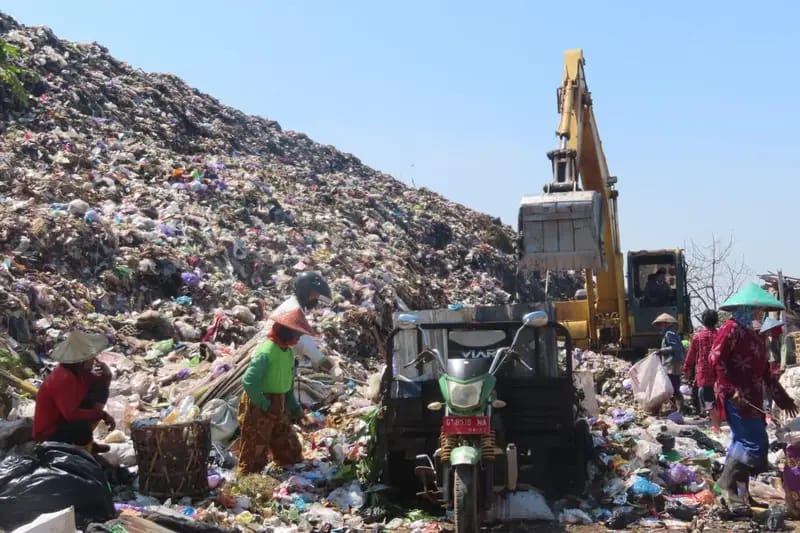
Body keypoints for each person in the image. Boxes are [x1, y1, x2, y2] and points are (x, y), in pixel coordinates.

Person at [710, 283, 799, 515]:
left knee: (742, 443)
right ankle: (727, 489)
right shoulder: (730, 329)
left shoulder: (755, 336)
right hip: (736, 397)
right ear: (747, 309)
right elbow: (715, 359)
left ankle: (741, 495)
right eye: (757, 310)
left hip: (753, 398)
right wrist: (730, 389)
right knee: (753, 443)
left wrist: (782, 398)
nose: (760, 315)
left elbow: (764, 374)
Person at [236, 306, 316, 474]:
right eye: (297, 335)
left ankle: (288, 469)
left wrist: (295, 409)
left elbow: (287, 384)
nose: (298, 339)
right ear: (285, 332)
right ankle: (249, 480)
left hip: (279, 403)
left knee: (289, 447)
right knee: (255, 449)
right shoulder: (266, 351)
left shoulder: (287, 353)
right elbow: (249, 381)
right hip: (259, 404)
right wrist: (265, 405)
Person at [32, 331, 116, 454]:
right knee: (82, 427)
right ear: (81, 359)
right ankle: (84, 452)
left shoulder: (80, 373)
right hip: (48, 432)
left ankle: (87, 443)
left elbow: (99, 385)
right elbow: (71, 415)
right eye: (91, 357)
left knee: (100, 389)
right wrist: (102, 414)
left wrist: (107, 375)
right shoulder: (63, 377)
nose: (94, 360)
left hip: (62, 420)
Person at [266, 272, 333, 372]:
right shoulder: (295, 310)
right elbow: (306, 345)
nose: (315, 299)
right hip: (272, 354)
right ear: (305, 292)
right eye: (314, 295)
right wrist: (331, 368)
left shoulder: (293, 303)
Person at [682, 310, 720, 429]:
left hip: (705, 373)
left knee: (709, 398)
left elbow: (691, 355)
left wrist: (686, 369)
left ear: (703, 321)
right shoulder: (720, 335)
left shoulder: (698, 337)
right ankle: (720, 421)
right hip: (720, 371)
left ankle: (716, 427)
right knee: (721, 396)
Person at [653, 313, 686, 413]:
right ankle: (676, 408)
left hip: (672, 363)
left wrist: (661, 350)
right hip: (672, 363)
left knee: (673, 385)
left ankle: (680, 409)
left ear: (666, 324)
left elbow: (675, 348)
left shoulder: (669, 333)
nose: (661, 327)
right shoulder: (672, 333)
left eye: (662, 324)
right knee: (672, 385)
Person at [759, 317, 784, 413]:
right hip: (769, 365)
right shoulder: (767, 339)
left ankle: (771, 409)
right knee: (767, 389)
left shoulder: (776, 339)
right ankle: (768, 410)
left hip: (773, 365)